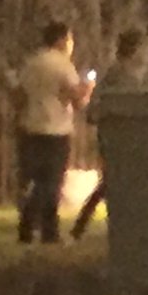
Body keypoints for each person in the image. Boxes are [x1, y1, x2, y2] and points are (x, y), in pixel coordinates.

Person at [15, 21, 93, 244]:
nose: (71, 44)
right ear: (61, 40)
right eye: (70, 39)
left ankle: (30, 227)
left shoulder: (31, 63)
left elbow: (18, 95)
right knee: (51, 183)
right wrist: (88, 89)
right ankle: (46, 229)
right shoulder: (62, 65)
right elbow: (77, 100)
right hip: (56, 130)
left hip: (31, 127)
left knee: (35, 180)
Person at [71, 30, 146, 240]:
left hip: (109, 135)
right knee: (116, 181)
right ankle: (92, 225)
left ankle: (83, 226)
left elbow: (93, 110)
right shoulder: (129, 77)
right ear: (135, 50)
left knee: (110, 181)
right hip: (124, 136)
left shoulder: (110, 74)